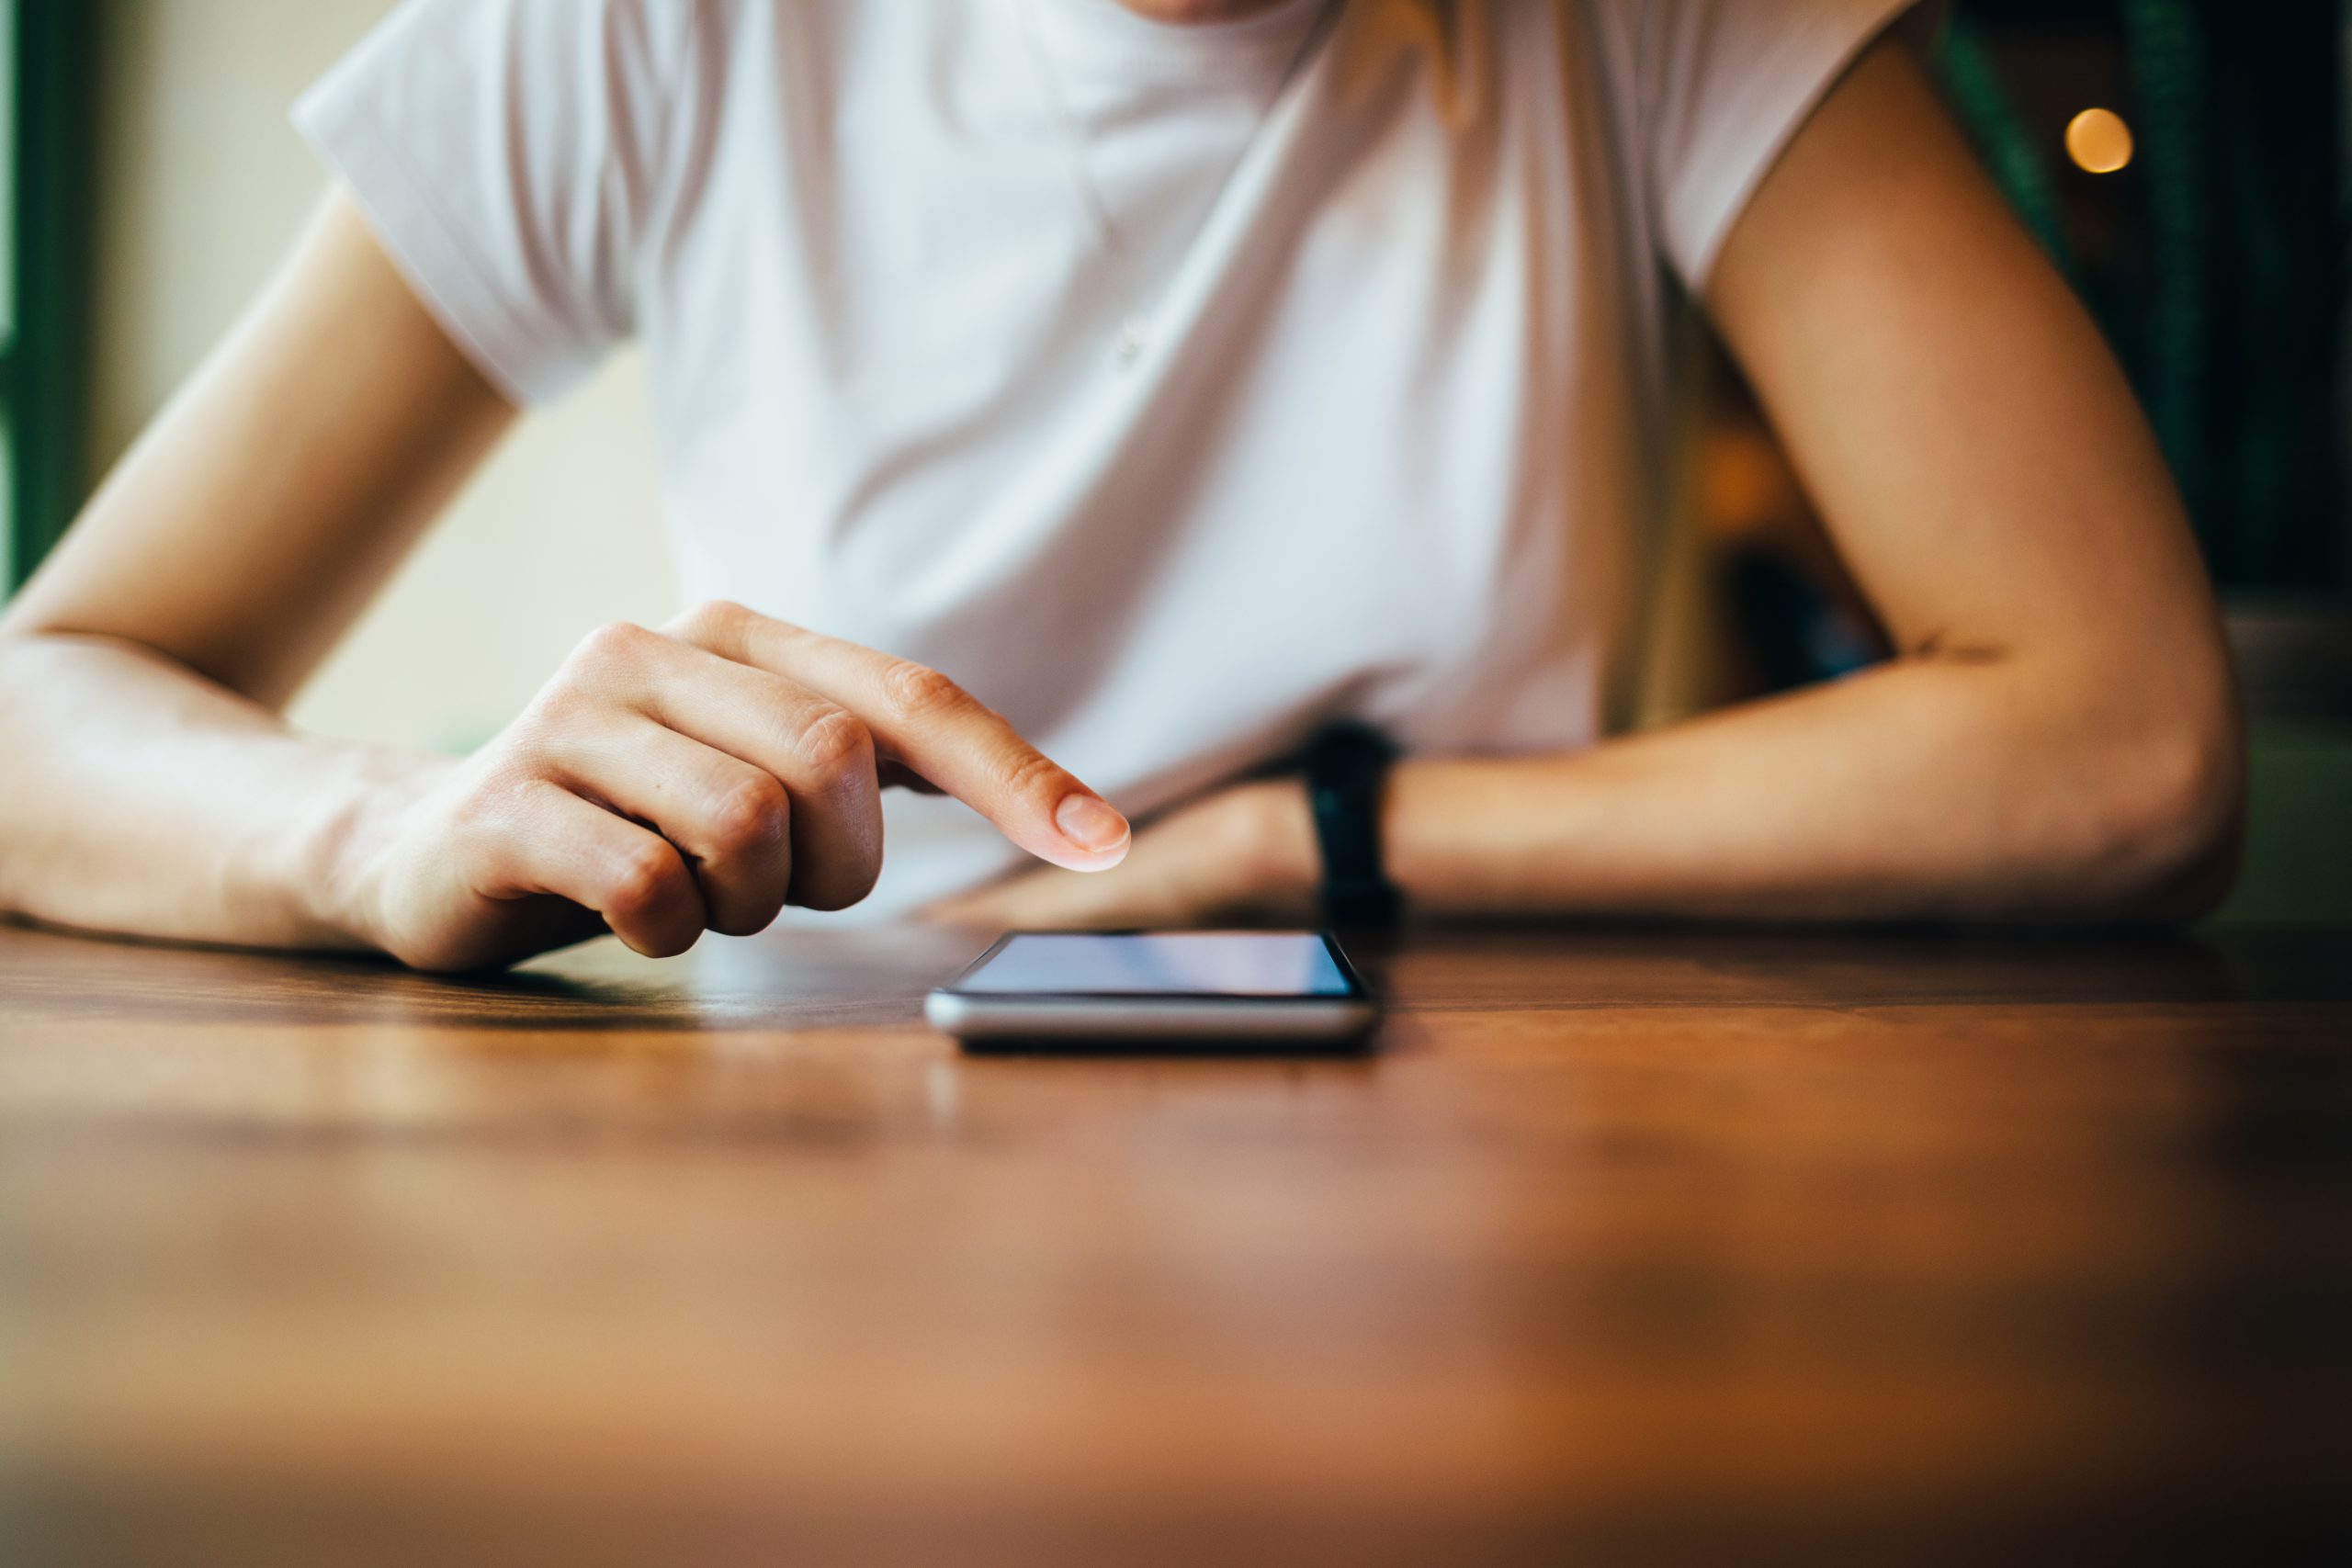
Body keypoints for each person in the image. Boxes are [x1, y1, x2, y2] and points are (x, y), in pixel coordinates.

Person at [0, 0, 2241, 971]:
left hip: (1482, 1139)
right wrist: (385, 827)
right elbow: (45, 704)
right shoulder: (636, 32)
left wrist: (1314, 836)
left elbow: (2126, 740)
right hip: (819, 1181)